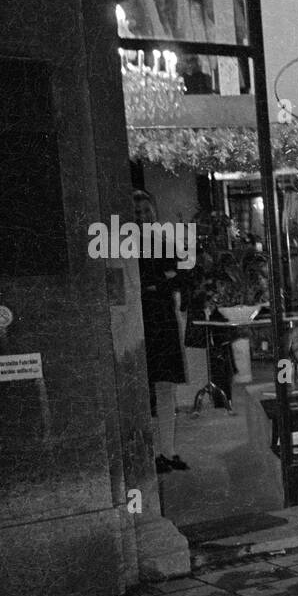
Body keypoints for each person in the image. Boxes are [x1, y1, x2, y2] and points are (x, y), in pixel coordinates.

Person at [134, 190, 188, 473]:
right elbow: (140, 284)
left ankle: (168, 451)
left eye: (147, 210)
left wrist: (158, 284)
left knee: (166, 388)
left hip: (163, 319)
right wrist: (159, 282)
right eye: (138, 213)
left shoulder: (164, 241)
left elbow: (179, 277)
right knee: (144, 391)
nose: (144, 216)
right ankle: (150, 454)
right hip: (140, 321)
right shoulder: (126, 245)